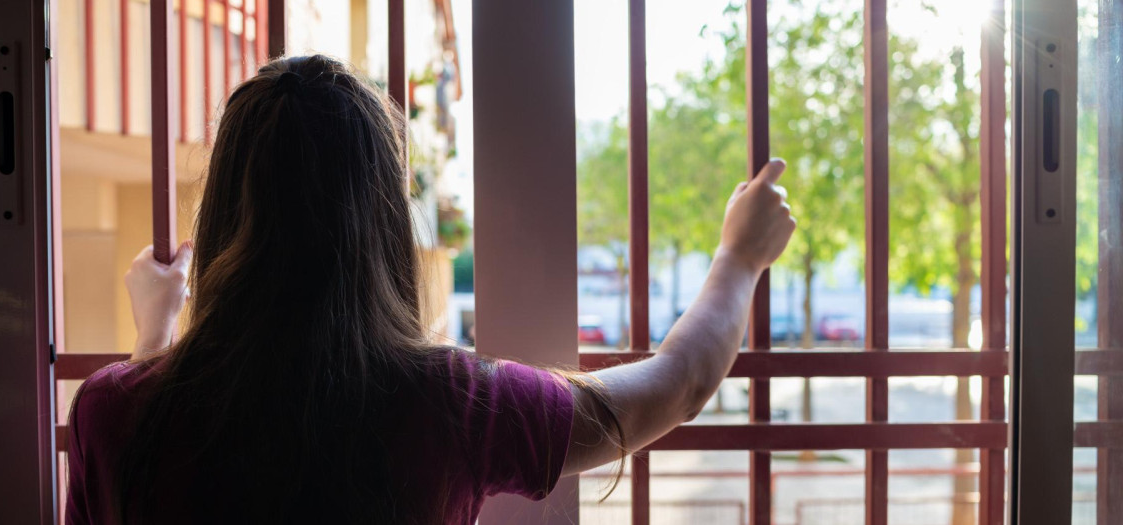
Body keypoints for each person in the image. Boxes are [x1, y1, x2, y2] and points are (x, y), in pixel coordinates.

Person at [64, 55, 795, 525]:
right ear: (381, 220)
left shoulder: (111, 411)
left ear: (223, 208)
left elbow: (148, 438)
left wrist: (154, 338)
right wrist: (739, 257)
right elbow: (677, 385)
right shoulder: (446, 400)